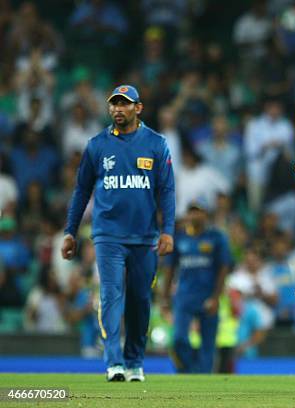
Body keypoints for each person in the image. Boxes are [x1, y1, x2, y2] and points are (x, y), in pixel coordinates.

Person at [61, 85, 175, 382]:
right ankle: (113, 361)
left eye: (124, 104)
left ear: (138, 108)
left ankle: (135, 360)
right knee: (111, 294)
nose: (117, 110)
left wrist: (168, 232)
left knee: (139, 299)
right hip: (107, 235)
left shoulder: (156, 143)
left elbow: (167, 191)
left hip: (145, 237)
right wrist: (70, 231)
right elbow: (81, 190)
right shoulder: (97, 145)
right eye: (114, 104)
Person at [163, 197, 232, 373]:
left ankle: (204, 378)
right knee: (179, 339)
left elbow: (223, 268)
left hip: (208, 296)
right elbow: (170, 269)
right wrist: (164, 299)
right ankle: (191, 371)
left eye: (197, 211)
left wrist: (216, 298)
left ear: (205, 214)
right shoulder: (179, 238)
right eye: (191, 211)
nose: (193, 215)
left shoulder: (216, 237)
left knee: (207, 344)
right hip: (184, 297)